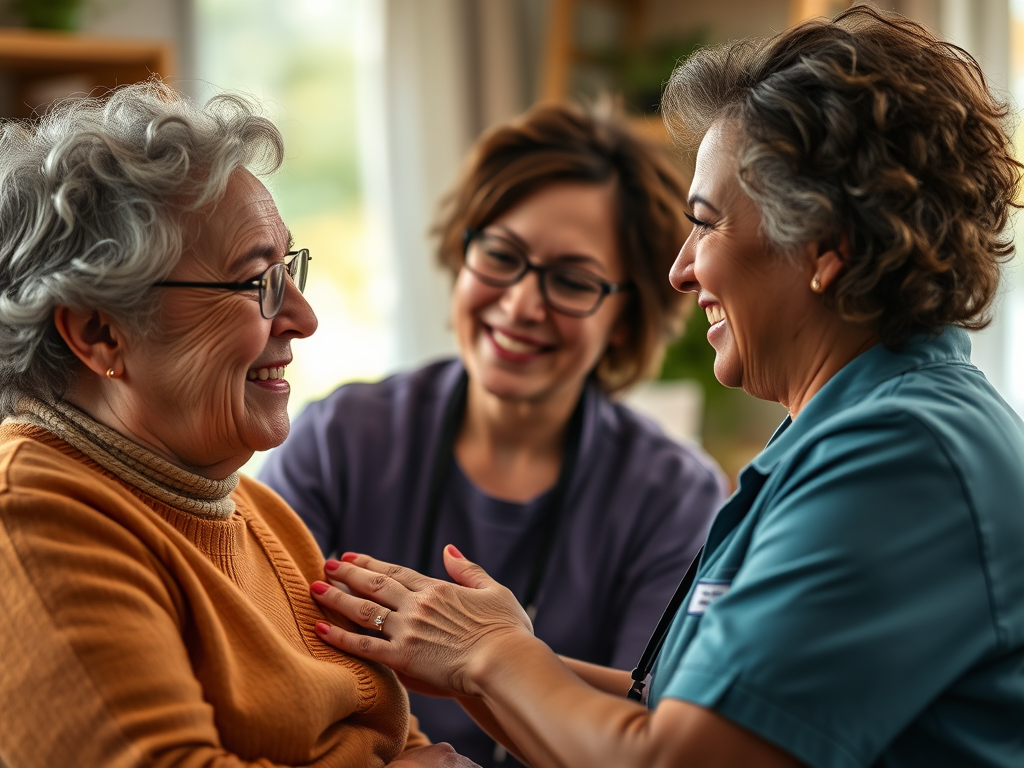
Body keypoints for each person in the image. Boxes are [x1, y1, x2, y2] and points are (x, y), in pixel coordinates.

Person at [304, 7, 1024, 768]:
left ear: (827, 248)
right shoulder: (854, 431)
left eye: (707, 223)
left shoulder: (901, 460)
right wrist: (474, 656)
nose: (684, 270)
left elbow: (679, 759)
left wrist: (491, 654)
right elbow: (675, 709)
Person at [0, 80, 474, 768]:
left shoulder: (253, 510)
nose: (304, 318)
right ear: (101, 333)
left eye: (288, 267)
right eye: (256, 281)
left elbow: (396, 737)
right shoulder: (34, 519)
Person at [259, 102, 726, 765]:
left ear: (628, 315)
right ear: (462, 250)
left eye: (571, 280)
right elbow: (267, 674)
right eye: (501, 255)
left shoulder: (675, 498)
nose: (519, 305)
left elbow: (646, 736)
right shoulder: (339, 441)